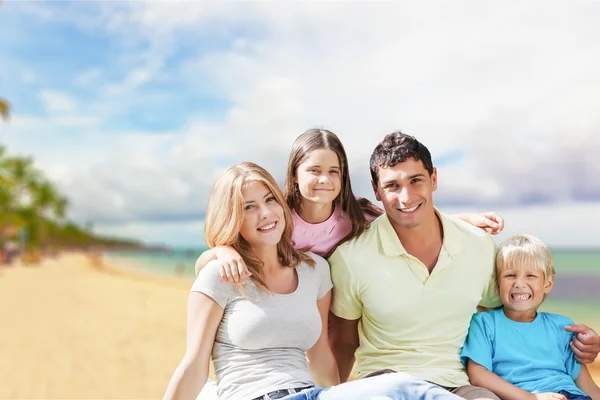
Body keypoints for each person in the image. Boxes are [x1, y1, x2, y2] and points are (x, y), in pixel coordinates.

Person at [327, 132, 600, 400]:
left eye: (416, 180)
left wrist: (572, 343)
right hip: (386, 381)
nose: (406, 197)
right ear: (376, 190)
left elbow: (508, 318)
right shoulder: (351, 258)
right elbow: (343, 343)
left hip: (458, 383)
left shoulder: (477, 245)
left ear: (434, 178)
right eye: (392, 186)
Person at [164, 162, 463, 400]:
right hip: (254, 395)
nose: (266, 213)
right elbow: (194, 364)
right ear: (231, 217)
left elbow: (319, 355)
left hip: (313, 394)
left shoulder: (315, 271)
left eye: (270, 200)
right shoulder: (221, 274)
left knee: (407, 389)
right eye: (249, 207)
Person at [195, 128, 505, 282]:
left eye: (334, 171)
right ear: (294, 173)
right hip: (290, 307)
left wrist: (463, 220)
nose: (324, 180)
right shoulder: (276, 214)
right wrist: (222, 251)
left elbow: (406, 217)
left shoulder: (355, 214)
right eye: (314, 171)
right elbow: (207, 261)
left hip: (335, 310)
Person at [461, 234, 600, 400]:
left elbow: (588, 387)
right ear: (498, 283)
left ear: (547, 283)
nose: (519, 283)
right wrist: (532, 397)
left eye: (530, 276)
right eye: (510, 275)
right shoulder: (485, 323)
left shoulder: (562, 326)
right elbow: (478, 375)